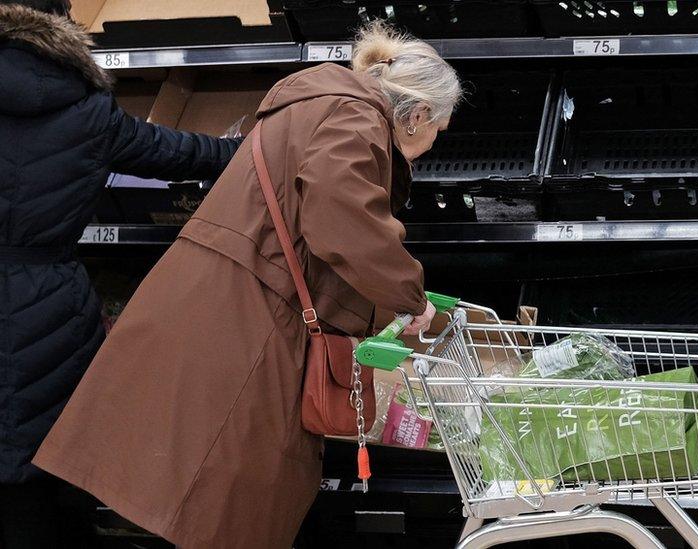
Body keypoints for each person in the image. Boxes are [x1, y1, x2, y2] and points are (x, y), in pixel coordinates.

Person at [34, 21, 460, 548]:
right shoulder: (355, 117)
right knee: (229, 502)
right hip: (249, 324)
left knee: (189, 489)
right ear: (417, 114)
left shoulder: (313, 103)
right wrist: (408, 296)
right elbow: (339, 217)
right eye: (437, 129)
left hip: (213, 305)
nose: (430, 144)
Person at [0, 0, 241, 546]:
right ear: (61, 28)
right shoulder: (88, 112)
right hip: (50, 311)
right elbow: (179, 152)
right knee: (44, 469)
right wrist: (253, 149)